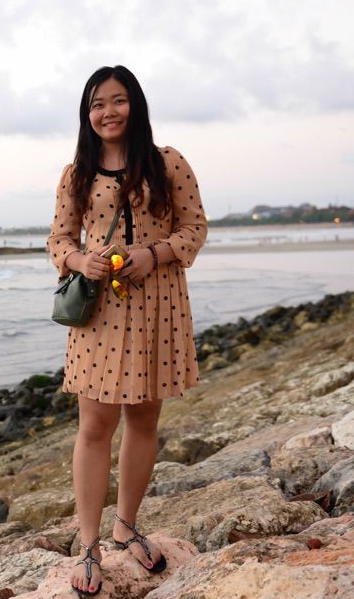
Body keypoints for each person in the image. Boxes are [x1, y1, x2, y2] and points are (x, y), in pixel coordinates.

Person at [47, 65, 207, 596]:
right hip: (99, 314)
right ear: (87, 114)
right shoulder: (76, 174)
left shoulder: (167, 162)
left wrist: (153, 254)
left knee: (143, 421)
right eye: (97, 104)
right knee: (94, 427)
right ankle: (88, 547)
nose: (108, 112)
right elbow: (58, 240)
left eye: (117, 100)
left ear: (134, 104)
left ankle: (127, 526)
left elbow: (195, 227)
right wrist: (81, 260)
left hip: (158, 306)